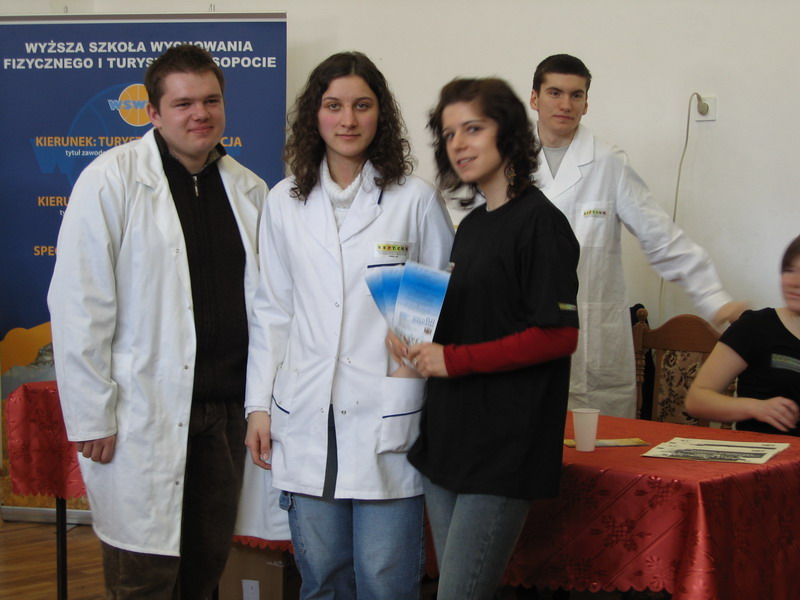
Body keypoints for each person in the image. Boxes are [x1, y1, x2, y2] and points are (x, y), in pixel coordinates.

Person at [48, 44, 267, 599]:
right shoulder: (111, 179)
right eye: (183, 103)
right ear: (153, 113)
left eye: (211, 100)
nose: (200, 114)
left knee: (204, 571)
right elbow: (79, 304)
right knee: (143, 578)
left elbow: (268, 308)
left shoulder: (249, 189)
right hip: (143, 414)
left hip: (224, 416)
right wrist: (91, 414)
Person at [243, 51, 454, 599]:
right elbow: (273, 311)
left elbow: (439, 311)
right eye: (333, 105)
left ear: (380, 113)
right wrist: (258, 406)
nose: (348, 119)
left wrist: (410, 365)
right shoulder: (284, 201)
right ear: (314, 115)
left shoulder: (413, 200)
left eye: (362, 105)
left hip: (388, 413)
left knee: (386, 581)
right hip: (305, 410)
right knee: (322, 579)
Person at [393, 77, 579, 600]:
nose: (459, 144)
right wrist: (410, 334)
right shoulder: (472, 225)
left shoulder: (541, 224)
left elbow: (558, 335)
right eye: (449, 133)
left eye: (473, 128)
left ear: (509, 131)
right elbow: (478, 320)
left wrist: (453, 359)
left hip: (502, 450)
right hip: (447, 441)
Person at [529, 53, 745, 418]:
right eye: (555, 92)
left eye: (576, 95)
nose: (566, 104)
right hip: (525, 335)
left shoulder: (608, 162)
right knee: (524, 442)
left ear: (586, 103)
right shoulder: (506, 162)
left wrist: (714, 297)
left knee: (598, 448)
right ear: (535, 98)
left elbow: (660, 235)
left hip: (591, 341)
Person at [686, 235, 800, 434]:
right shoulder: (756, 326)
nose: (794, 282)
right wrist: (756, 407)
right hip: (764, 452)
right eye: (789, 270)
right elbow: (697, 399)